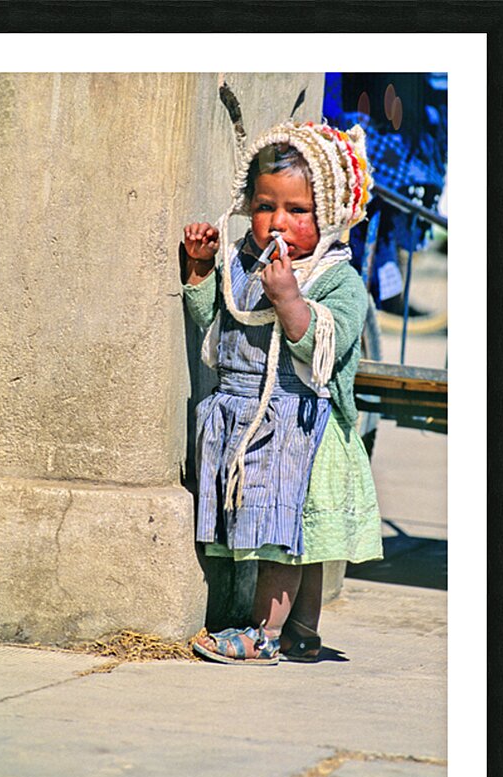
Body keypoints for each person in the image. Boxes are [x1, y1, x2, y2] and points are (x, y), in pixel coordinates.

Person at [181, 120, 383, 666]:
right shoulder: (246, 262)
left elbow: (326, 346)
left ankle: (264, 633)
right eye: (266, 206)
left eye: (298, 211)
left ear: (333, 213)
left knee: (282, 537)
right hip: (248, 411)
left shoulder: (338, 280)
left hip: (303, 428)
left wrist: (291, 299)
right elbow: (217, 327)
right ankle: (302, 633)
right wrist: (201, 272)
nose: (278, 222)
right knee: (297, 538)